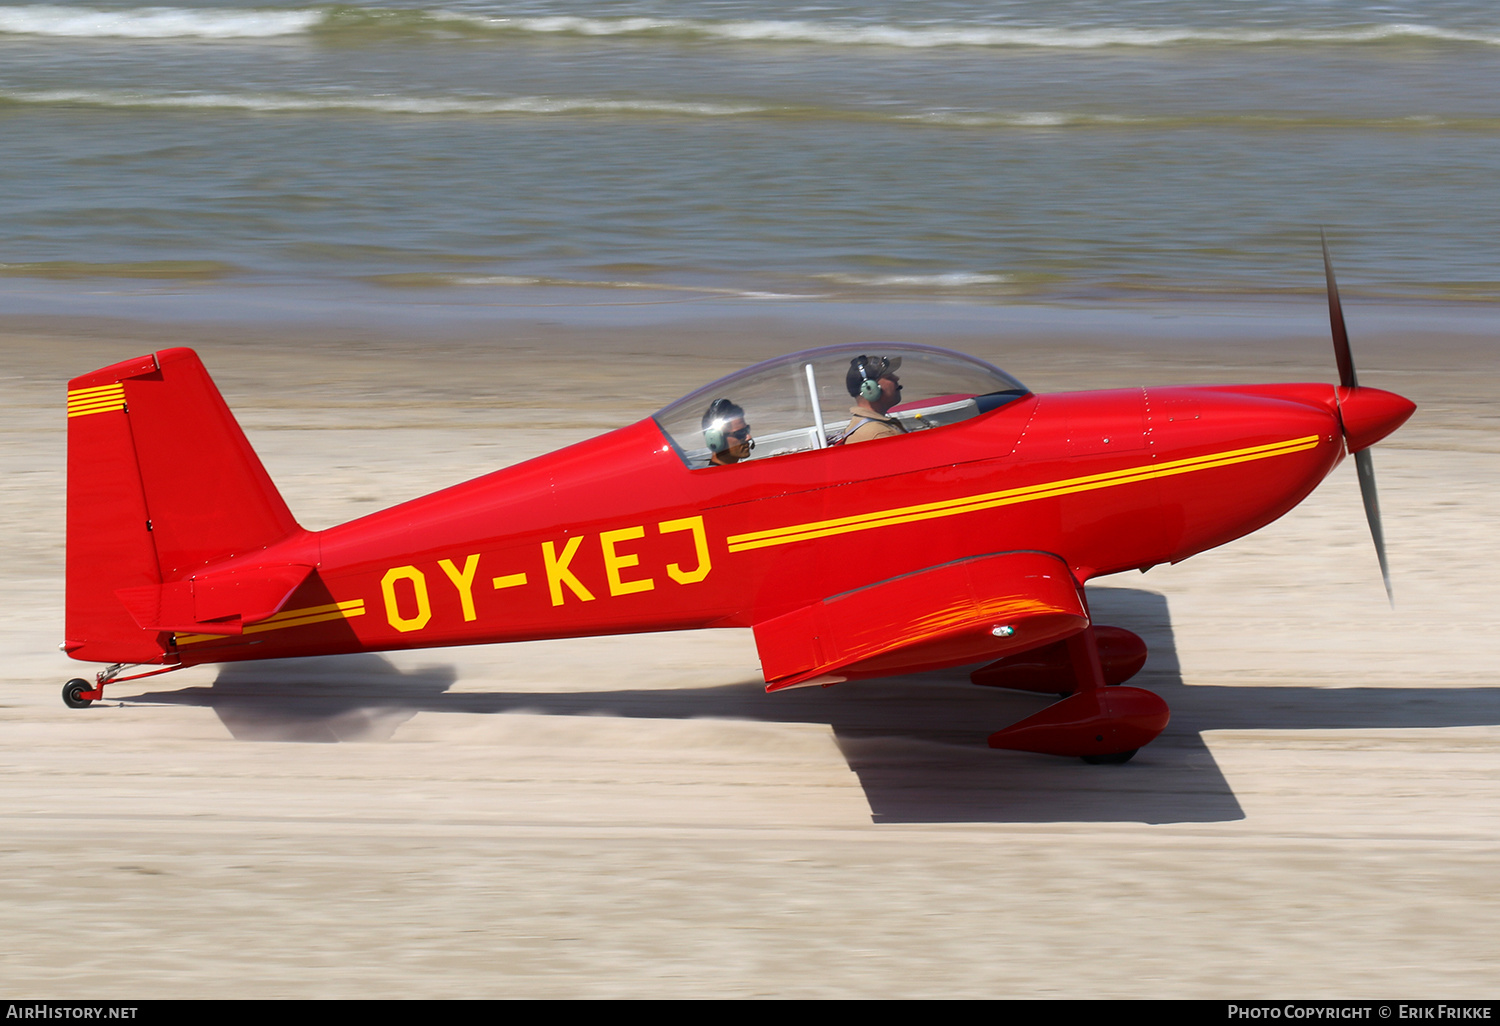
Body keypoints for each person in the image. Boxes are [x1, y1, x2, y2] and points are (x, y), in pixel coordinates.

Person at [841, 355, 906, 445]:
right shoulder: (879, 434)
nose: (896, 378)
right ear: (870, 388)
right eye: (889, 377)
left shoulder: (874, 427)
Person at [701, 398, 753, 466]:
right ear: (716, 439)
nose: (749, 437)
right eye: (741, 433)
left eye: (747, 429)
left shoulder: (732, 472)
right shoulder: (716, 476)